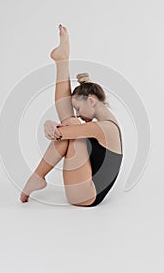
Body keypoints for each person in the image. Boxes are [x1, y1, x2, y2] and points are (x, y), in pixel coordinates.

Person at [20, 24, 123, 207]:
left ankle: (37, 177)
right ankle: (62, 60)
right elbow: (66, 128)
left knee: (71, 124)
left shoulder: (106, 128)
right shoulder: (107, 123)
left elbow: (64, 132)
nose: (78, 113)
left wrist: (50, 125)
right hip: (83, 188)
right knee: (71, 124)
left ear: (91, 101)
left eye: (77, 107)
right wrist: (53, 125)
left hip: (87, 196)